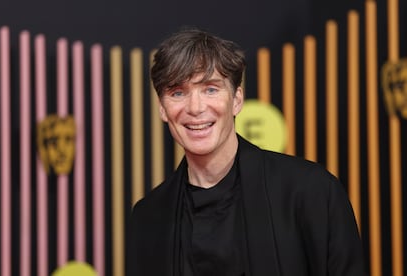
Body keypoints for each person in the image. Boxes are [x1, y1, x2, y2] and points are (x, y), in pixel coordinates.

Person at [129, 27, 365, 276]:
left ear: (237, 99)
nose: (195, 108)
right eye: (178, 93)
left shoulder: (310, 191)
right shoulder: (148, 217)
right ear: (163, 109)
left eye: (210, 89)